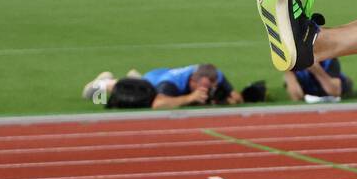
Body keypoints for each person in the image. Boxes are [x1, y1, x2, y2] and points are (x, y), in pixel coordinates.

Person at [82, 64, 242, 109]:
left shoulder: (214, 74)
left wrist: (226, 101)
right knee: (138, 93)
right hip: (152, 83)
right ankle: (105, 82)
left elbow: (236, 97)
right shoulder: (170, 84)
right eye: (204, 87)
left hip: (162, 75)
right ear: (193, 80)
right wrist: (190, 98)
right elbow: (157, 104)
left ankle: (134, 75)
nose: (208, 90)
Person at [285, 58, 353, 102]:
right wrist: (289, 69)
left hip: (334, 92)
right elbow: (296, 98)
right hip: (310, 95)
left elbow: (335, 92)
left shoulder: (329, 60)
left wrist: (315, 69)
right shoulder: (296, 65)